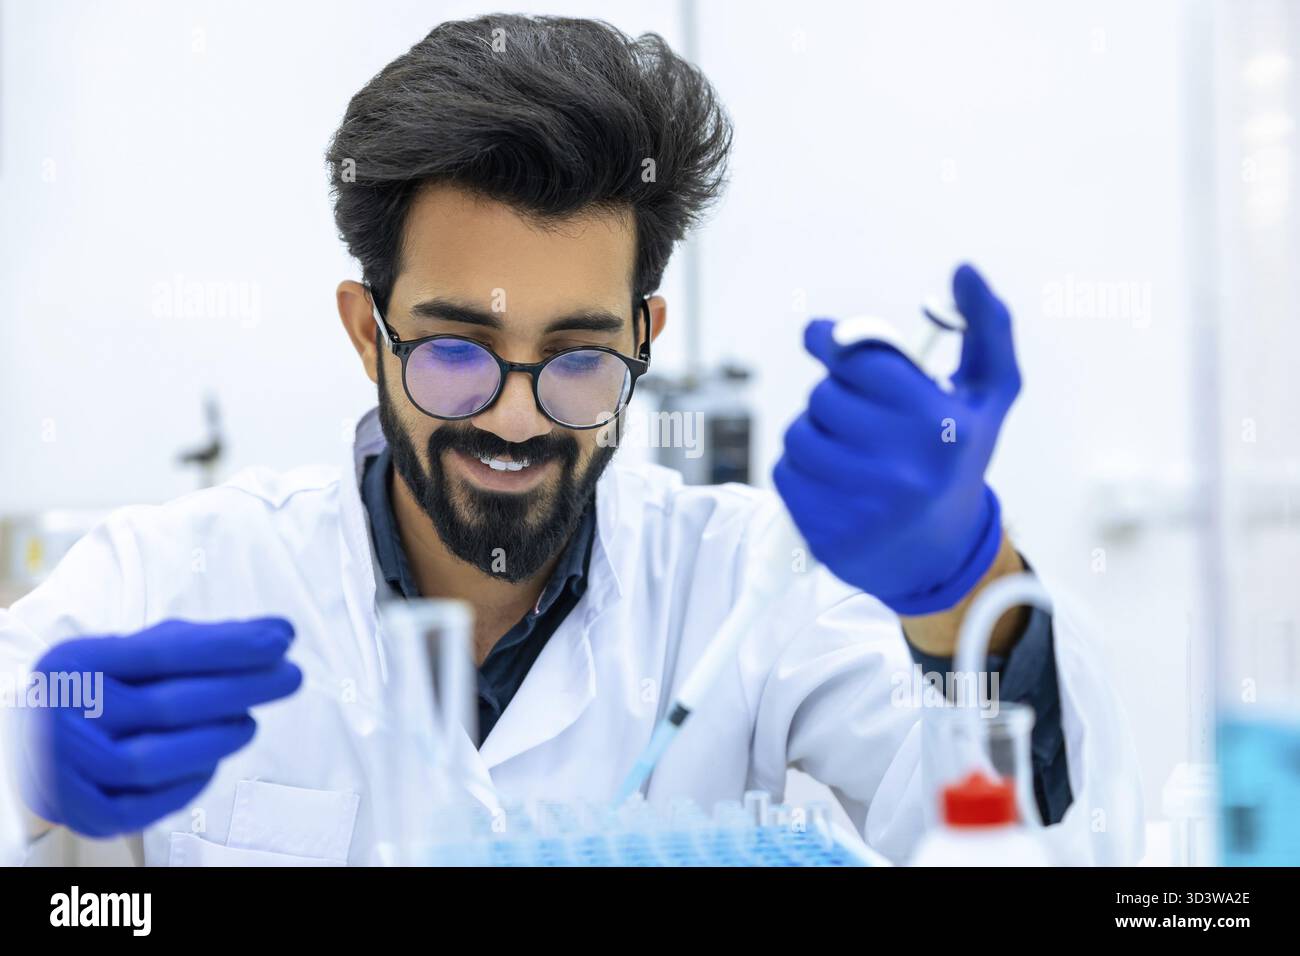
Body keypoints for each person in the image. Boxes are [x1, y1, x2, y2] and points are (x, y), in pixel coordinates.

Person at [0, 14, 1141, 866]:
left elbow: (1045, 841)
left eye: (578, 357)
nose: (513, 415)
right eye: (455, 351)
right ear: (367, 333)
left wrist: (962, 585)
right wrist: (29, 753)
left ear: (646, 336)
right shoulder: (184, 570)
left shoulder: (746, 581)